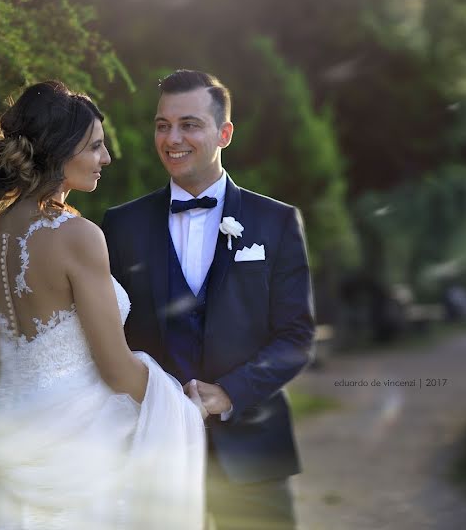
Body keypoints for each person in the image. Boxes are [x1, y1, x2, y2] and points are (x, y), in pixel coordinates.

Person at [0, 80, 206, 529]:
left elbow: (8, 349)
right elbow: (115, 370)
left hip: (12, 423)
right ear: (59, 151)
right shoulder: (78, 236)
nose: (107, 158)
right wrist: (176, 402)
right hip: (78, 442)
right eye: (95, 146)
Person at [102, 70, 315, 530]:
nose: (172, 138)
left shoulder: (275, 222)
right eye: (163, 125)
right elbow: (108, 334)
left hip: (253, 448)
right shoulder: (121, 226)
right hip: (153, 448)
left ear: (224, 132)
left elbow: (296, 335)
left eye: (189, 124)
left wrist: (230, 393)